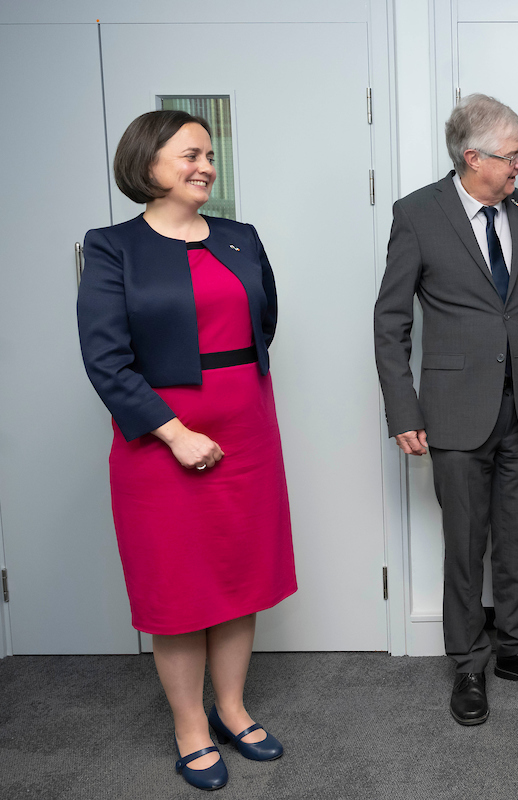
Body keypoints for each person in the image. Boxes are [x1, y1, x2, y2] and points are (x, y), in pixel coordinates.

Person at [77, 110, 297, 789]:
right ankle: (190, 728)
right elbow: (106, 360)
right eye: (190, 155)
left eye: (209, 155)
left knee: (239, 577)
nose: (206, 166)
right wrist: (174, 432)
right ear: (147, 165)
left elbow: (265, 320)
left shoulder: (240, 237)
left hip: (248, 430)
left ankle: (231, 708)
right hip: (160, 439)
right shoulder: (112, 246)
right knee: (178, 586)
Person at [374, 93, 518, 726]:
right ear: (473, 157)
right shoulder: (418, 215)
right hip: (454, 409)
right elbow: (391, 322)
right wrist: (403, 409)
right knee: (464, 543)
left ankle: (515, 649)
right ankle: (468, 663)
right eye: (512, 155)